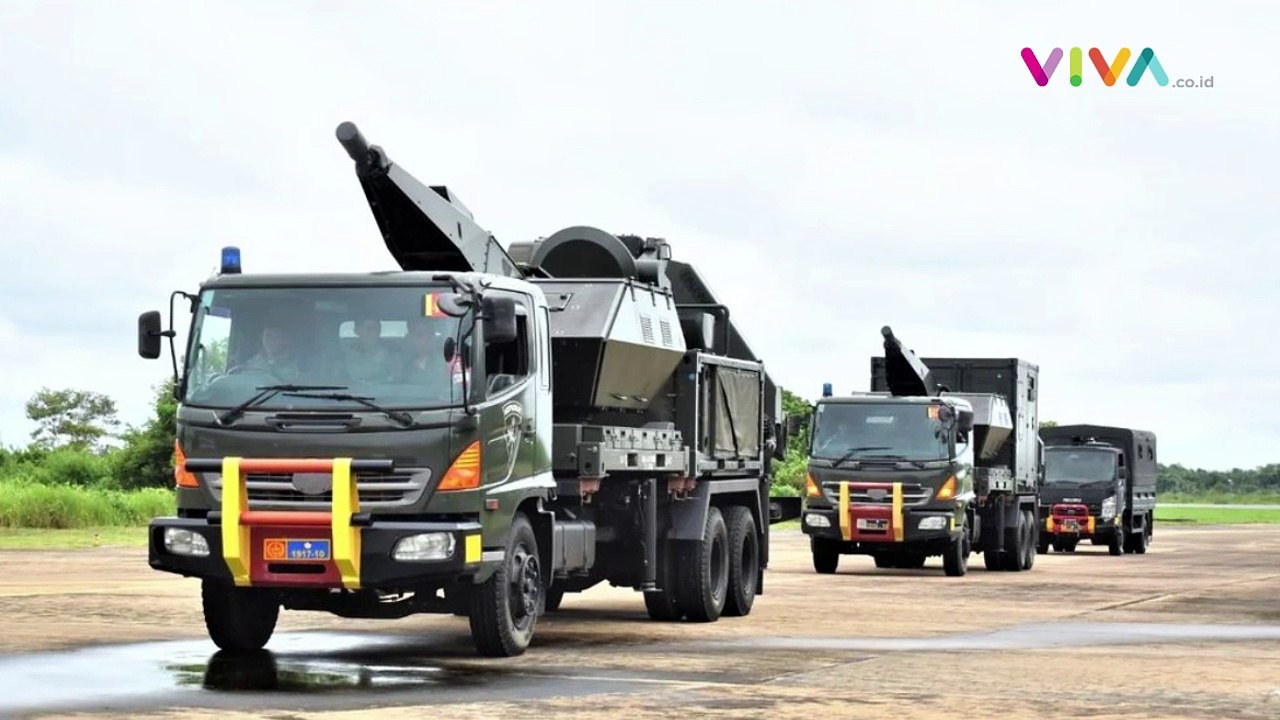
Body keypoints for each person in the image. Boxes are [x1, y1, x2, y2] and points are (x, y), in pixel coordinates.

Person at [342, 318, 397, 383]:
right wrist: (376, 362)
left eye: (374, 329)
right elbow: (358, 376)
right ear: (357, 331)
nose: (371, 332)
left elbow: (396, 377)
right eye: (367, 328)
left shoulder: (391, 353)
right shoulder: (349, 353)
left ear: (379, 332)